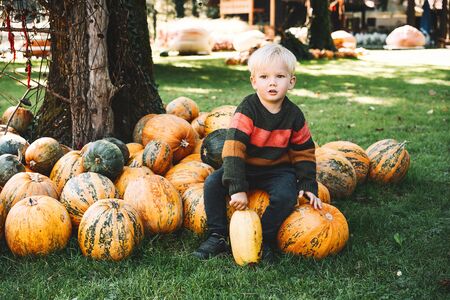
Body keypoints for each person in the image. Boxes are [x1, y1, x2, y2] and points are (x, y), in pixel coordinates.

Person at [193, 44, 322, 263]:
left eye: (280, 76)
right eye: (264, 76)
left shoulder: (294, 115)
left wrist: (308, 185)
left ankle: (264, 237)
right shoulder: (247, 109)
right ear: (254, 81)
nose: (272, 82)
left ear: (291, 82)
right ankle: (218, 235)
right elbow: (234, 148)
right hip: (245, 166)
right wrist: (237, 187)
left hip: (277, 169)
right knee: (212, 184)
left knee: (285, 196)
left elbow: (304, 151)